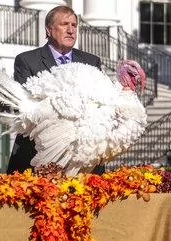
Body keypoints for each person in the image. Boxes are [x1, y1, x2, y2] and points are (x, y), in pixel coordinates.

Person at [7, 5, 104, 175]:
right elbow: (23, 107)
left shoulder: (91, 62)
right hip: (38, 155)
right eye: (64, 24)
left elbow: (102, 105)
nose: (71, 30)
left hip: (83, 159)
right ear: (49, 29)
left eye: (74, 25)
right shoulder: (27, 61)